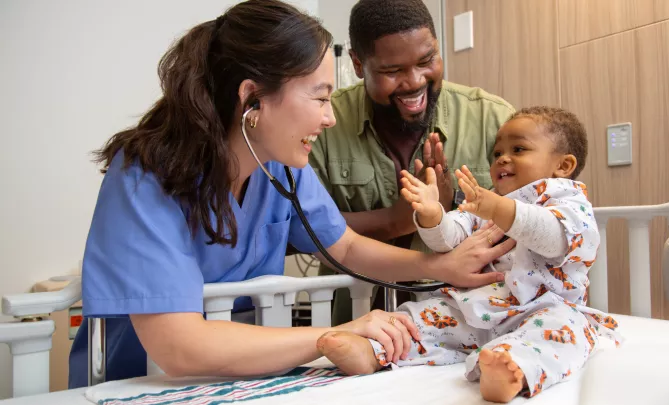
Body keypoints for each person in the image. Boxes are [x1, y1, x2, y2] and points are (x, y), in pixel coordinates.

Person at [67, 0, 516, 388]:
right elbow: (180, 347)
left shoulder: (278, 166)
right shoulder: (144, 175)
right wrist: (335, 334)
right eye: (320, 99)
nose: (330, 118)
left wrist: (438, 266)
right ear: (252, 101)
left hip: (251, 377)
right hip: (144, 383)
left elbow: (344, 245)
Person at [317, 107, 622, 403]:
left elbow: (552, 236)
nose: (502, 158)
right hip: (477, 312)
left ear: (563, 165)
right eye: (497, 152)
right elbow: (449, 239)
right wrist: (432, 215)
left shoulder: (569, 204)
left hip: (542, 311)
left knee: (567, 332)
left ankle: (511, 369)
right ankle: (373, 350)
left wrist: (498, 209)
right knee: (421, 316)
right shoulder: (490, 204)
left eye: (518, 149)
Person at [308, 0, 516, 325]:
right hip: (357, 322)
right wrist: (394, 220)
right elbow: (300, 229)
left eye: (427, 60)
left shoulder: (493, 118)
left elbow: (536, 213)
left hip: (470, 324)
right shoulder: (322, 123)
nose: (415, 81)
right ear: (358, 64)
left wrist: (455, 207)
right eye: (393, 71)